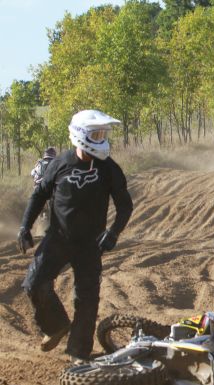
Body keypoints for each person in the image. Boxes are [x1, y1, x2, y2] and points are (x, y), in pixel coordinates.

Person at [17, 109, 133, 363]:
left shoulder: (109, 168)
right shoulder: (60, 163)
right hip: (58, 237)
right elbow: (39, 194)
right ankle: (56, 326)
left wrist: (113, 233)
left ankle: (78, 352)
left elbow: (125, 205)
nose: (102, 139)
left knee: (87, 299)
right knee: (34, 284)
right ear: (81, 134)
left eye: (103, 134)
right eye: (97, 134)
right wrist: (25, 226)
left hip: (91, 244)